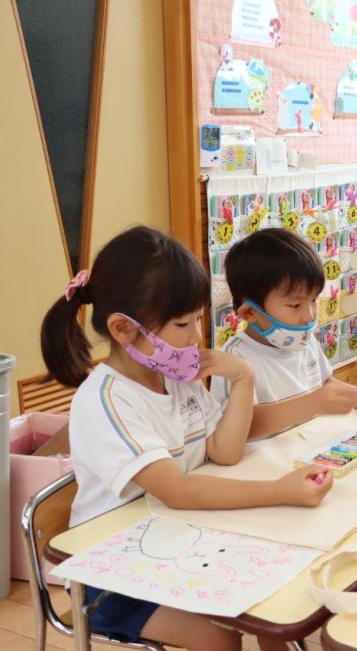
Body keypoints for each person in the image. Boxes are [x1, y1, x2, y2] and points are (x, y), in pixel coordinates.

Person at [40, 226, 331, 651]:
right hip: (112, 574)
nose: (197, 336)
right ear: (123, 329)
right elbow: (175, 490)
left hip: (180, 539)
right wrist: (278, 491)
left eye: (198, 318)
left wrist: (243, 377)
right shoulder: (106, 400)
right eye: (182, 323)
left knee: (274, 602)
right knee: (220, 638)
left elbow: (224, 453)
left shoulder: (178, 376)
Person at [211, 228, 357, 438]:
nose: (309, 315)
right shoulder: (232, 360)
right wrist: (311, 404)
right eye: (296, 305)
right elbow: (236, 430)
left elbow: (324, 383)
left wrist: (355, 395)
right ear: (250, 312)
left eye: (313, 300)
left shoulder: (302, 340)